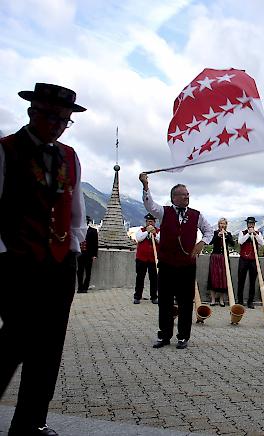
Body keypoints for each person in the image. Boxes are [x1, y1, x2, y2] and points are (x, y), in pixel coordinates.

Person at [0, 83, 86, 436]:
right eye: (51, 116)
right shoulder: (6, 150)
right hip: (17, 264)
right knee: (15, 341)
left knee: (49, 348)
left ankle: (30, 423)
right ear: (32, 112)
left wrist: (73, 251)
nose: (58, 125)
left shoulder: (70, 156)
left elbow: (76, 212)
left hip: (59, 264)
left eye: (64, 120)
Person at [139, 173, 213, 350]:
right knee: (164, 301)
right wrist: (145, 186)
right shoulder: (164, 212)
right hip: (166, 264)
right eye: (183, 194)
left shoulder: (197, 215)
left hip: (187, 265)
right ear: (174, 197)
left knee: (186, 302)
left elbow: (209, 231)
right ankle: (164, 335)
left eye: (188, 194)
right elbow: (150, 204)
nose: (187, 196)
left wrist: (202, 242)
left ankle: (183, 337)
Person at [237, 217, 264, 309]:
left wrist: (255, 234)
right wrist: (248, 234)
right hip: (243, 259)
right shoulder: (242, 232)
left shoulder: (258, 233)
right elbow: (240, 241)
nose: (251, 225)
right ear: (247, 224)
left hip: (253, 259)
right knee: (241, 280)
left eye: (252, 223)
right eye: (249, 223)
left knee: (253, 281)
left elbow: (262, 243)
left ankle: (250, 301)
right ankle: (240, 301)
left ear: (254, 224)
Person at [133, 213, 160, 305]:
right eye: (148, 221)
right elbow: (139, 238)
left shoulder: (158, 231)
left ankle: (154, 297)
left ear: (154, 222)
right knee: (140, 278)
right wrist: (147, 232)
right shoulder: (141, 230)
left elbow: (160, 240)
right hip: (141, 259)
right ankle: (137, 297)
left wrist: (154, 234)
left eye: (152, 221)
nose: (150, 223)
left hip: (153, 259)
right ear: (146, 222)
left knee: (154, 279)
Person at [208, 218, 234, 307]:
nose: (222, 225)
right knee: (213, 277)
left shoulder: (228, 234)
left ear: (226, 225)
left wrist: (226, 235)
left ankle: (222, 300)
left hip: (224, 258)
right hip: (215, 257)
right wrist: (218, 235)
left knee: (224, 278)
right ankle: (213, 299)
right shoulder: (215, 233)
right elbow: (210, 242)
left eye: (224, 224)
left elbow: (233, 243)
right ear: (218, 224)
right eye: (221, 223)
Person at [77, 215, 98, 293]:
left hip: (89, 254)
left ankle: (85, 288)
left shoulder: (93, 231)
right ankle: (80, 287)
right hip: (80, 253)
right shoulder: (78, 230)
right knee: (79, 271)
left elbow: (95, 244)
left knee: (88, 272)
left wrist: (94, 255)